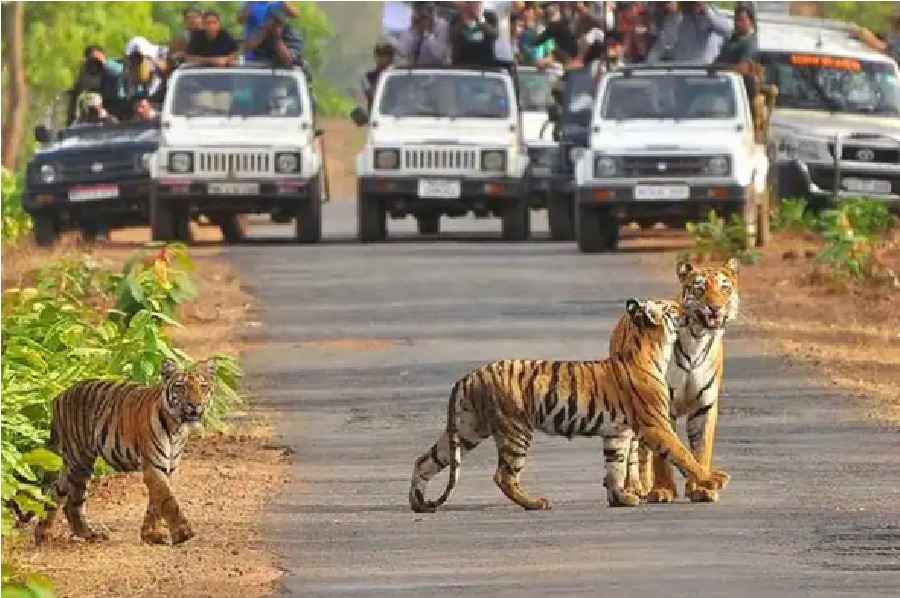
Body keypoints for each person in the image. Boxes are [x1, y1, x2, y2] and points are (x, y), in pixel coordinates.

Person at [646, 1, 732, 65]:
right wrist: (650, 64)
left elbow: (727, 31)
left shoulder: (711, 14)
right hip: (684, 72)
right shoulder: (675, 19)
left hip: (707, 73)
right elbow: (664, 43)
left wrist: (704, 10)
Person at [244, 3, 308, 72]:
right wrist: (265, 29)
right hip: (262, 73)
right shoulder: (261, 32)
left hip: (284, 77)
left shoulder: (293, 36)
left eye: (279, 21)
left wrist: (277, 36)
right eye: (273, 20)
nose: (276, 24)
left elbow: (288, 59)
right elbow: (247, 47)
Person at [394, 1, 451, 66]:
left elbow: (439, 54)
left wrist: (427, 32)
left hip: (436, 68)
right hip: (415, 68)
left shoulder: (442, 25)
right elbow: (405, 51)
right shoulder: (412, 24)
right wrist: (412, 31)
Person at [450, 1, 498, 67]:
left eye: (478, 3)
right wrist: (463, 22)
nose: (475, 5)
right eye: (473, 2)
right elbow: (452, 35)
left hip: (485, 63)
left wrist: (481, 20)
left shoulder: (490, 16)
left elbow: (494, 34)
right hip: (463, 62)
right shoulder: (458, 17)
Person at [362, 42, 395, 111]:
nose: (382, 59)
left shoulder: (397, 76)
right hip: (376, 116)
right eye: (380, 55)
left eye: (385, 55)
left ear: (391, 58)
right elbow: (370, 94)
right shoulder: (369, 76)